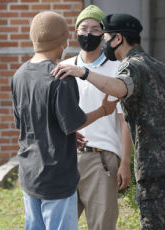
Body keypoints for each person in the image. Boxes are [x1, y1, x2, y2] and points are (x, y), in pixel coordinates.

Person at [52, 13, 165, 230]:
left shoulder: (131, 66)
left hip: (151, 167)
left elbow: (119, 88)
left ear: (118, 38)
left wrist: (84, 73)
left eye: (104, 36)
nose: (102, 41)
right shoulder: (158, 66)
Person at [11, 11, 119, 230]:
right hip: (57, 174)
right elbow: (73, 122)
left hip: (29, 171)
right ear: (64, 41)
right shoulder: (61, 76)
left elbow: (26, 122)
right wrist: (102, 110)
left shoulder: (19, 75)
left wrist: (67, 133)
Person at [59, 5, 132, 230]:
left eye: (95, 29)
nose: (88, 33)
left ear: (104, 35)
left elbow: (124, 120)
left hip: (102, 160)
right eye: (83, 28)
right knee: (59, 224)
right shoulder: (64, 67)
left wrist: (125, 162)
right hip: (66, 158)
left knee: (102, 225)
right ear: (76, 32)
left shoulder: (117, 69)